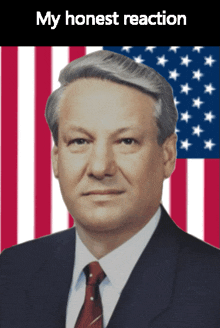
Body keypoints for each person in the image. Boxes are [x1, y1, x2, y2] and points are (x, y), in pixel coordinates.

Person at [0, 50, 220, 328]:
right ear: (56, 159)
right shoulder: (12, 270)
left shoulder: (214, 287)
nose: (100, 167)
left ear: (167, 156)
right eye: (80, 141)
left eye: (126, 141)